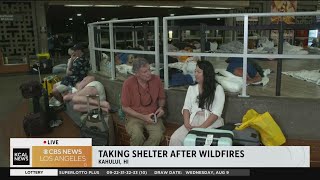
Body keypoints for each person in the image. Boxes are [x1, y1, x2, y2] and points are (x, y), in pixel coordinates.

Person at [169, 60, 225, 146]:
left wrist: (201, 128)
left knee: (198, 142)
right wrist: (186, 123)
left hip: (210, 122)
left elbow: (216, 113)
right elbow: (186, 107)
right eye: (195, 71)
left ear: (206, 73)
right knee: (175, 138)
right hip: (193, 120)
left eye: (199, 72)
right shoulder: (192, 88)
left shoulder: (218, 89)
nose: (195, 74)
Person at [121, 57, 166, 146]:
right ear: (136, 74)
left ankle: (141, 156)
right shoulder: (128, 83)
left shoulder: (156, 79)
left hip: (152, 116)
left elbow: (162, 98)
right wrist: (143, 117)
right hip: (134, 116)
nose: (149, 73)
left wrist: (161, 108)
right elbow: (125, 107)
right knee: (137, 135)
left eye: (149, 70)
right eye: (145, 72)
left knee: (158, 135)